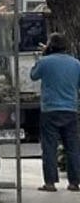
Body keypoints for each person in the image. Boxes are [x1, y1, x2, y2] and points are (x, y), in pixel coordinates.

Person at [30, 32, 80, 192]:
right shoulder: (76, 64)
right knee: (72, 147)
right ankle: (74, 182)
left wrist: (43, 56)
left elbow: (33, 75)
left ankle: (50, 182)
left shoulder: (45, 62)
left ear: (50, 46)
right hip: (70, 109)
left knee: (49, 147)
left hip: (50, 110)